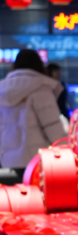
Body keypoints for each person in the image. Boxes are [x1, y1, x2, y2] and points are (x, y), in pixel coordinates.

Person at [0, 49, 65, 182]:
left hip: (8, 160)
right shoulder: (41, 88)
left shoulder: (3, 90)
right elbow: (52, 127)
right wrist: (66, 152)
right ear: (39, 65)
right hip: (37, 160)